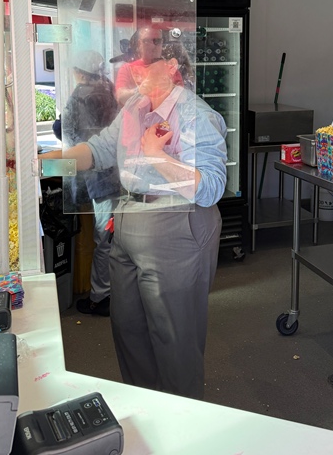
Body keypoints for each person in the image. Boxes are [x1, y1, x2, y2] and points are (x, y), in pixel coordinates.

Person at [42, 41, 227, 399]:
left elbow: (211, 188)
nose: (134, 70)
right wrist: (41, 166)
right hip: (129, 218)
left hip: (175, 224)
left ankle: (182, 418)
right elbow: (96, 151)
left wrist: (157, 155)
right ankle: (146, 406)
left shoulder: (196, 116)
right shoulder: (134, 107)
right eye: (131, 63)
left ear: (171, 66)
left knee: (174, 338)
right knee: (128, 330)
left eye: (144, 62)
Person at [55, 50, 120, 317]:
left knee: (104, 237)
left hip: (98, 174)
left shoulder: (79, 96)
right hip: (116, 171)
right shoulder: (109, 88)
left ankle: (100, 296)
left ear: (78, 71)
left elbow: (69, 136)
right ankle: (116, 290)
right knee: (113, 234)